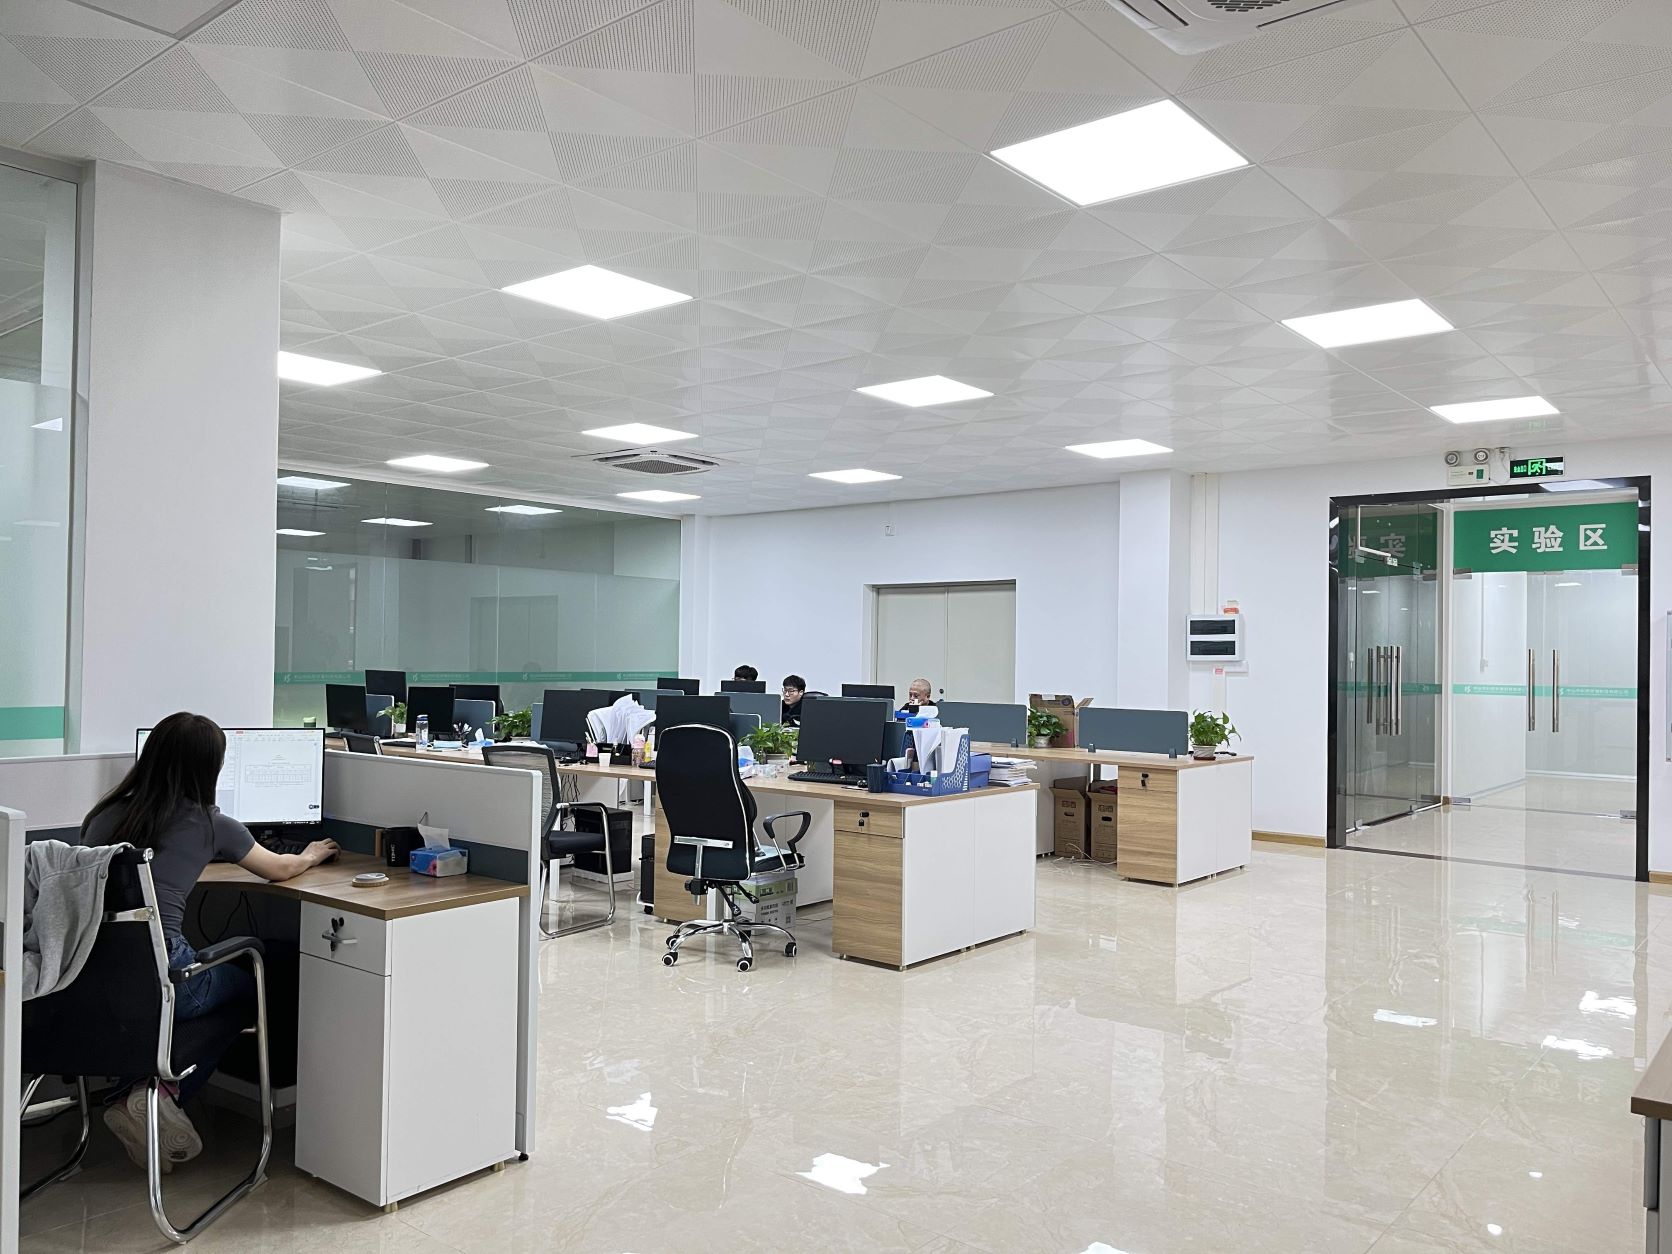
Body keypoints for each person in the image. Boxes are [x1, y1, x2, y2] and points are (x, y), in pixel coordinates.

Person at [79, 712, 339, 1171]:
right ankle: (160, 1092)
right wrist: (312, 853)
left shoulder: (102, 816)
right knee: (251, 986)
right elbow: (280, 869)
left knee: (174, 993)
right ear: (210, 769)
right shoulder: (210, 823)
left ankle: (137, 1091)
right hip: (165, 977)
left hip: (92, 976)